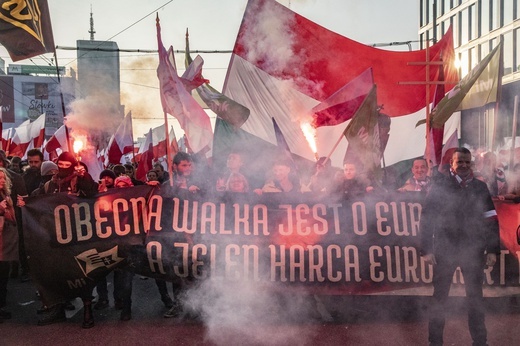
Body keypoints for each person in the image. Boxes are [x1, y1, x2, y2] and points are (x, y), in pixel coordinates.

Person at [420, 147, 500, 346]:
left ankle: (480, 341)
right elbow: (426, 219)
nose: (464, 165)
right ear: (452, 165)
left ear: (471, 163)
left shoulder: (480, 188)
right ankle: (435, 342)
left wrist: (492, 249)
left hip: (473, 249)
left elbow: (491, 218)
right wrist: (426, 249)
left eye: (467, 162)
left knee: (475, 298)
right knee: (440, 298)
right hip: (444, 250)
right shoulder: (440, 187)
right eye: (459, 162)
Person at [36, 152, 98, 327]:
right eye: (60, 164)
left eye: (66, 165)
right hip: (55, 236)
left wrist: (83, 177)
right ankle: (57, 309)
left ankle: (88, 310)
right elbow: (39, 200)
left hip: (78, 235)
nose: (63, 168)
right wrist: (24, 203)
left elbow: (92, 193)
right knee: (56, 274)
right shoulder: (50, 183)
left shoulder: (78, 179)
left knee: (82, 272)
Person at [0, 167, 22, 322]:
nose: (2, 181)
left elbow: (12, 216)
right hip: (1, 241)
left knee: (3, 276)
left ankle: (1, 306)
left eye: (3, 178)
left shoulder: (5, 194)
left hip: (6, 241)